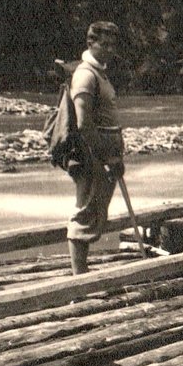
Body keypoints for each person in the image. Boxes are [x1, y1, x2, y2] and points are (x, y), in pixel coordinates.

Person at [66, 21, 126, 276]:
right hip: (92, 155)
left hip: (106, 155)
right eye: (105, 44)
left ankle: (82, 272)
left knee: (96, 212)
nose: (110, 49)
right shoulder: (86, 74)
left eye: (114, 44)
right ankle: (79, 279)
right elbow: (84, 124)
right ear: (91, 43)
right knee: (86, 213)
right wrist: (106, 157)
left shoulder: (100, 71)